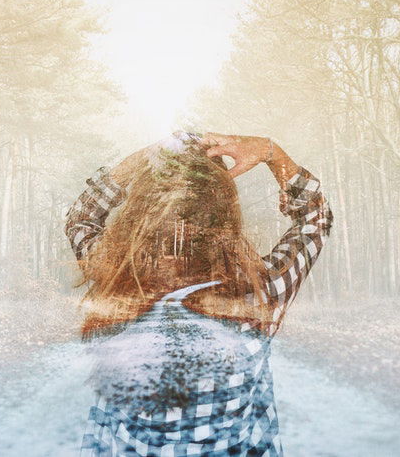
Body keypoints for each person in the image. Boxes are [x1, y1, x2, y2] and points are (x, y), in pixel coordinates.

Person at [64, 131, 334, 456]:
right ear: (225, 215)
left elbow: (81, 217)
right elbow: (315, 218)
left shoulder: (115, 277)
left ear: (140, 213)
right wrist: (270, 152)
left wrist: (141, 162)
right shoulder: (261, 292)